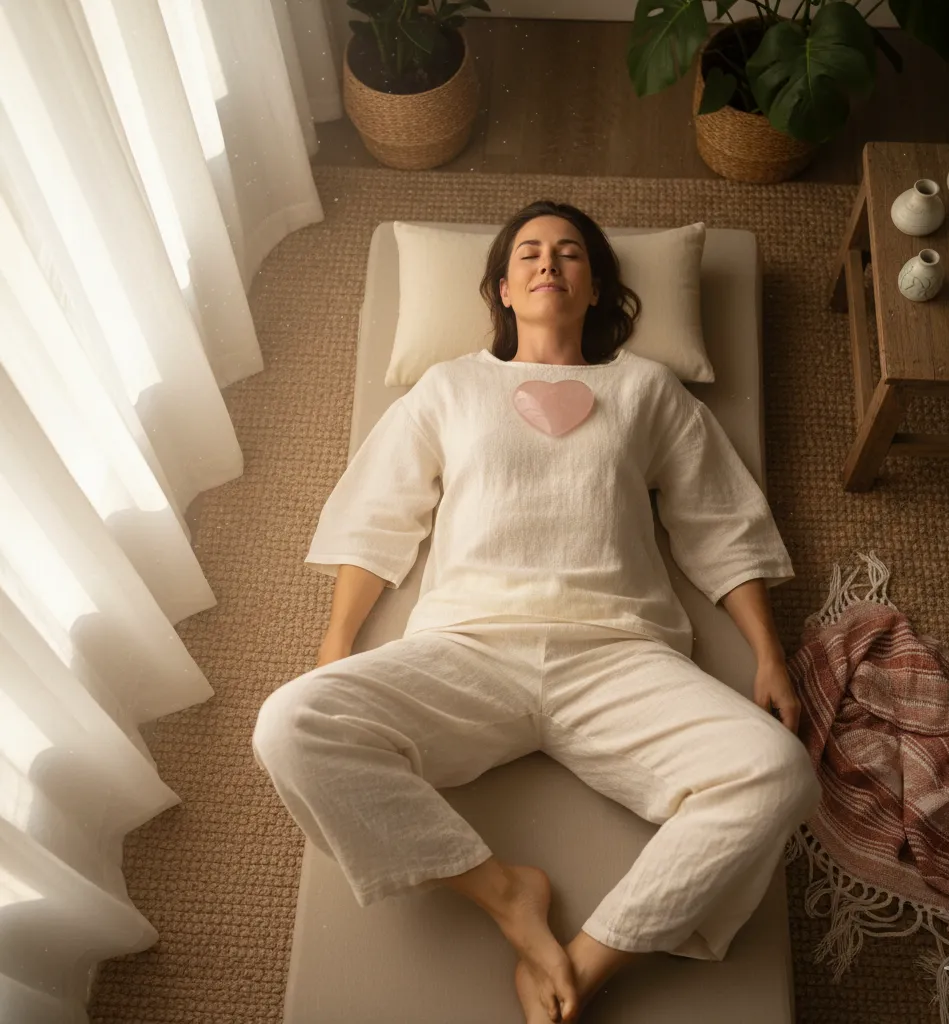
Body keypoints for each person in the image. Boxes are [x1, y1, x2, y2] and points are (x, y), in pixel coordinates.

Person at [252, 200, 821, 1024]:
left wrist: (768, 651)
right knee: (287, 724)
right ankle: (506, 894)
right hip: (467, 651)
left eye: (571, 254)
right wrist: (336, 642)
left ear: (597, 290)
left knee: (780, 773)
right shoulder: (450, 386)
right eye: (528, 254)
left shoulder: (646, 389)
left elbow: (719, 522)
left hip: (620, 655)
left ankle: (590, 961)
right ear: (502, 290)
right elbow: (377, 516)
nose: (549, 263)